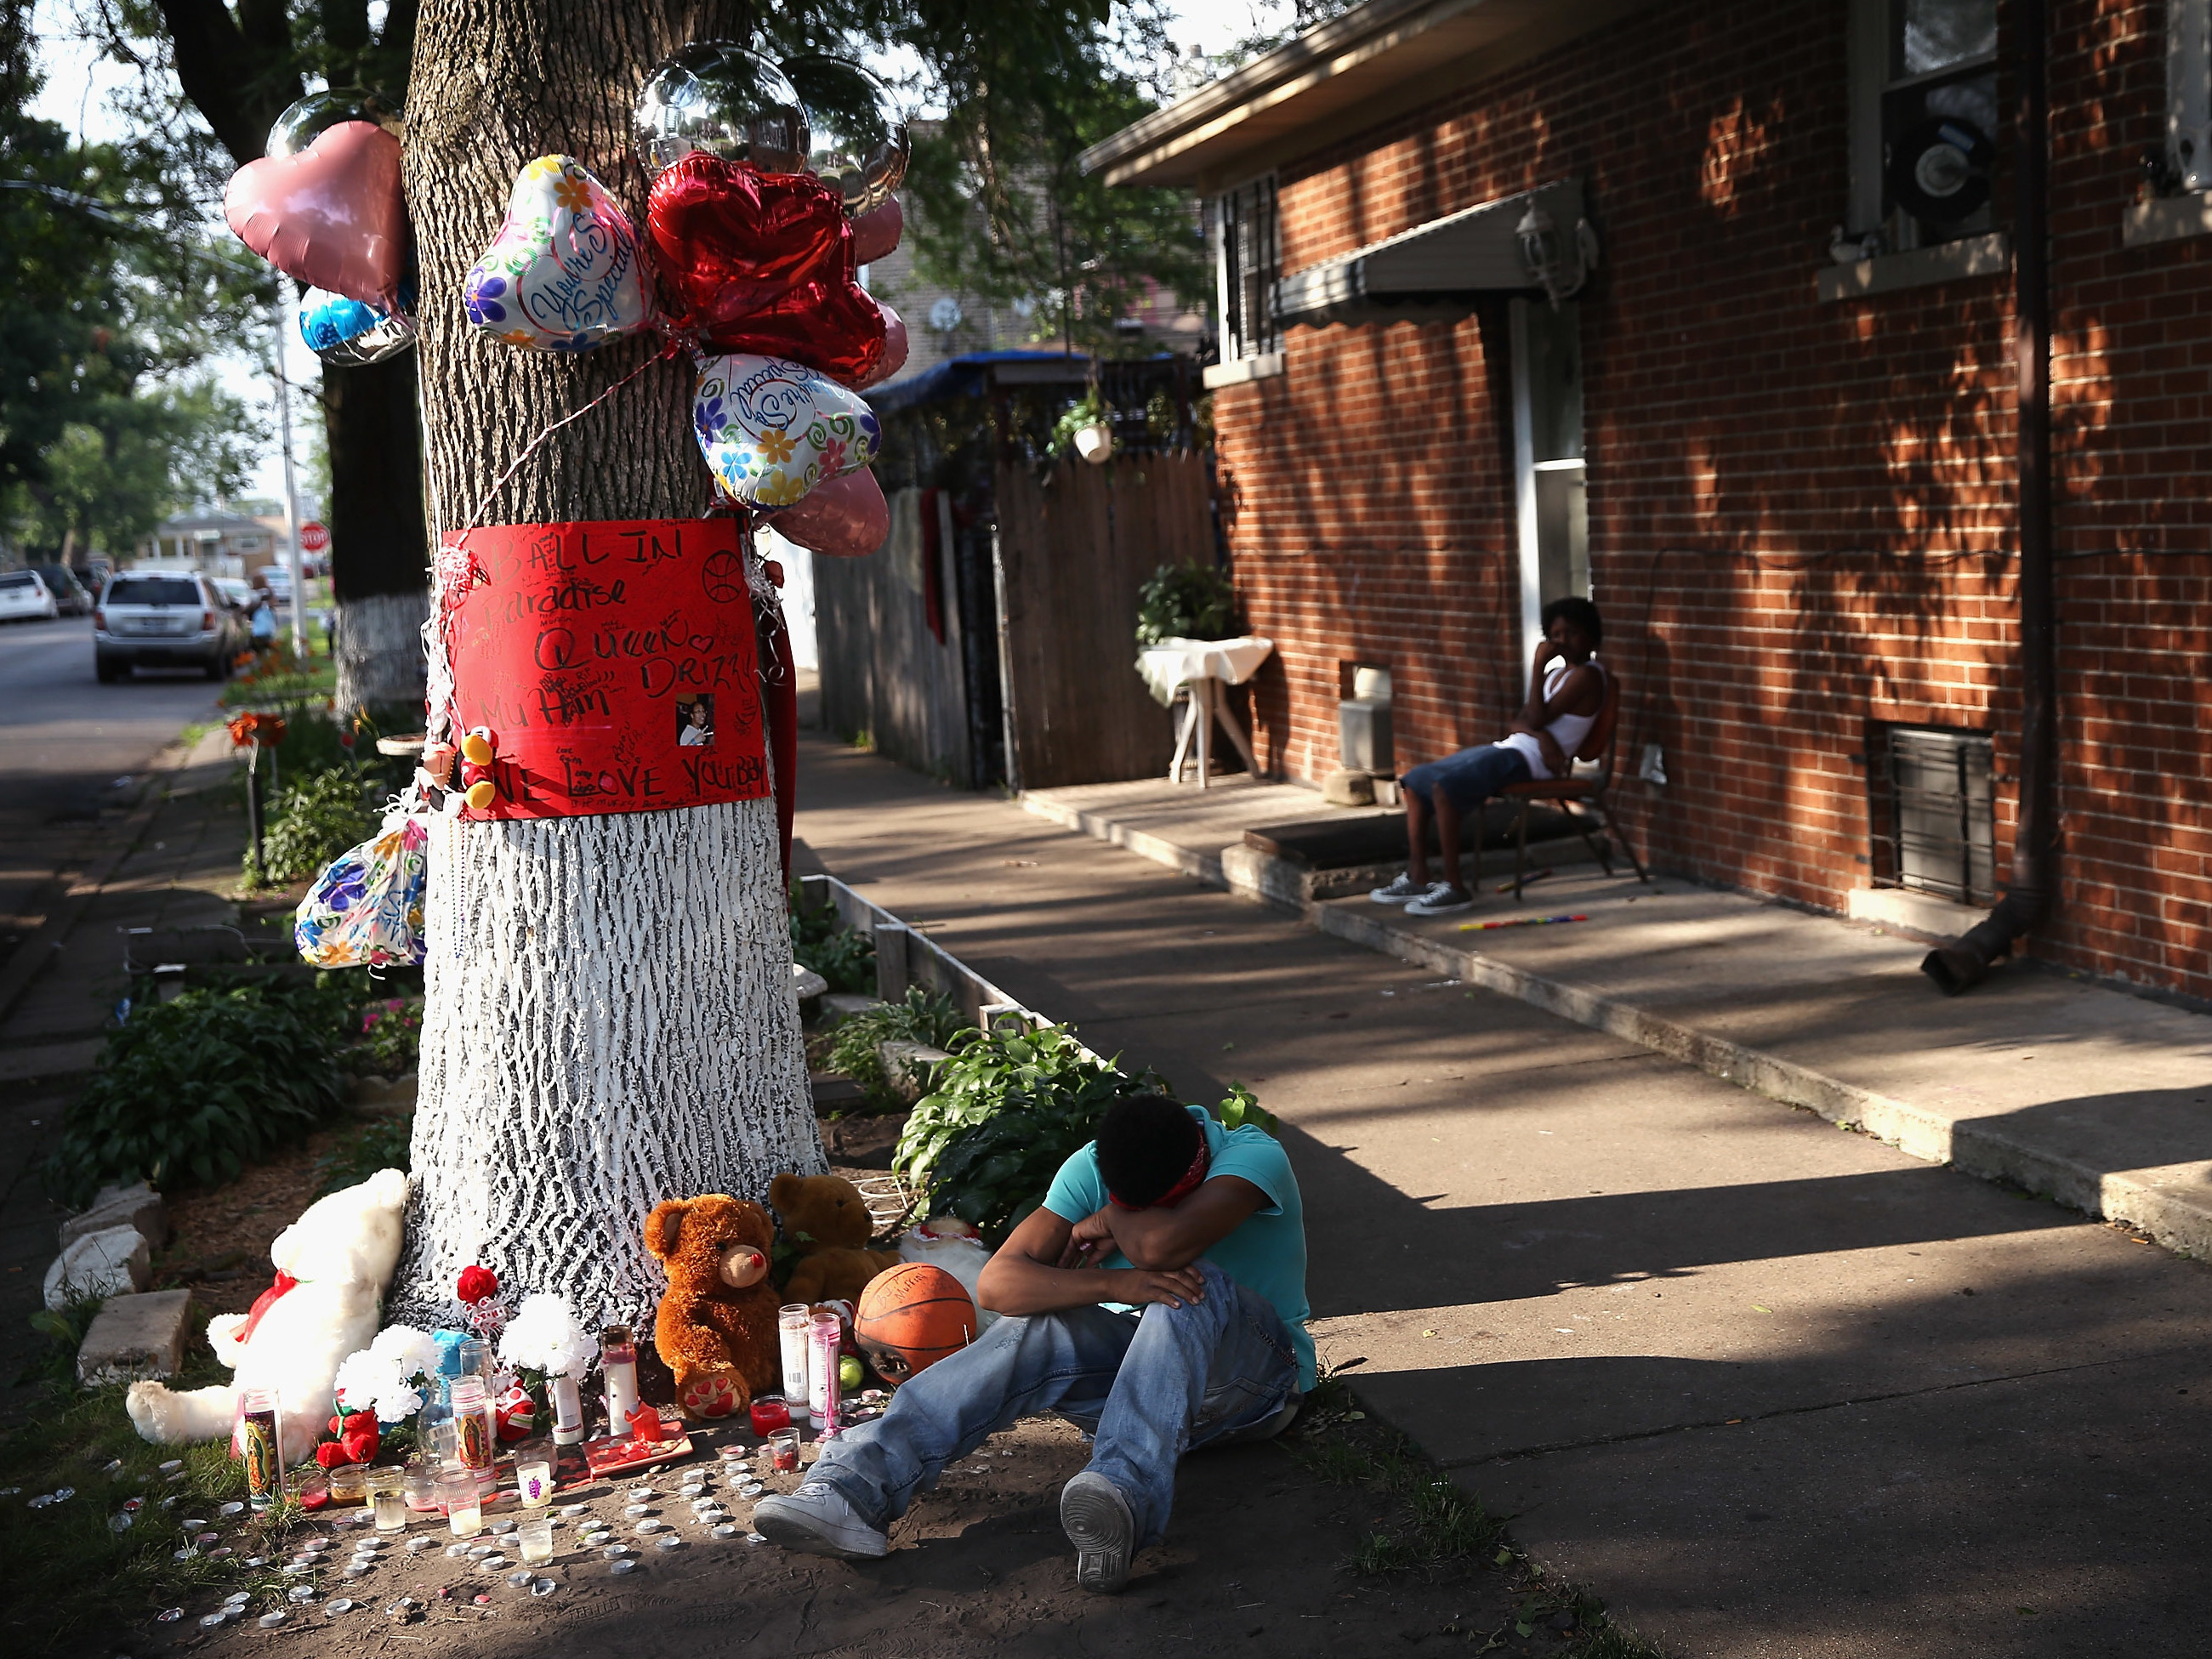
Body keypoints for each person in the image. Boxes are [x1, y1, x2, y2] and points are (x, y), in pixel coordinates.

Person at [752, 1092, 1311, 1593]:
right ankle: (853, 1490)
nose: (1136, 1218)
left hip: (1253, 1386)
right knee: (1037, 1324)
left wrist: (1116, 1218)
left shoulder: (1249, 1156)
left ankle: (1122, 1497)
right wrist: (1113, 1282)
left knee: (1192, 1283)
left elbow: (1162, 1250)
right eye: (1125, 1204)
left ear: (1194, 1174)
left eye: (1152, 1208)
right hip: (1132, 1396)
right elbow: (999, 1285)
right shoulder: (1093, 1165)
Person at [1370, 595, 1606, 916]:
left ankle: (1455, 886)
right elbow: (1519, 721)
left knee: (1445, 790)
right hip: (1514, 749)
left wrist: (1538, 667)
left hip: (1532, 764)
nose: (1562, 642)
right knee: (1415, 780)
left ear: (1591, 636)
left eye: (1572, 634)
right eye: (1556, 636)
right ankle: (1418, 875)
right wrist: (1542, 735)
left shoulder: (1588, 675)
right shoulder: (1557, 676)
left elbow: (1532, 718)